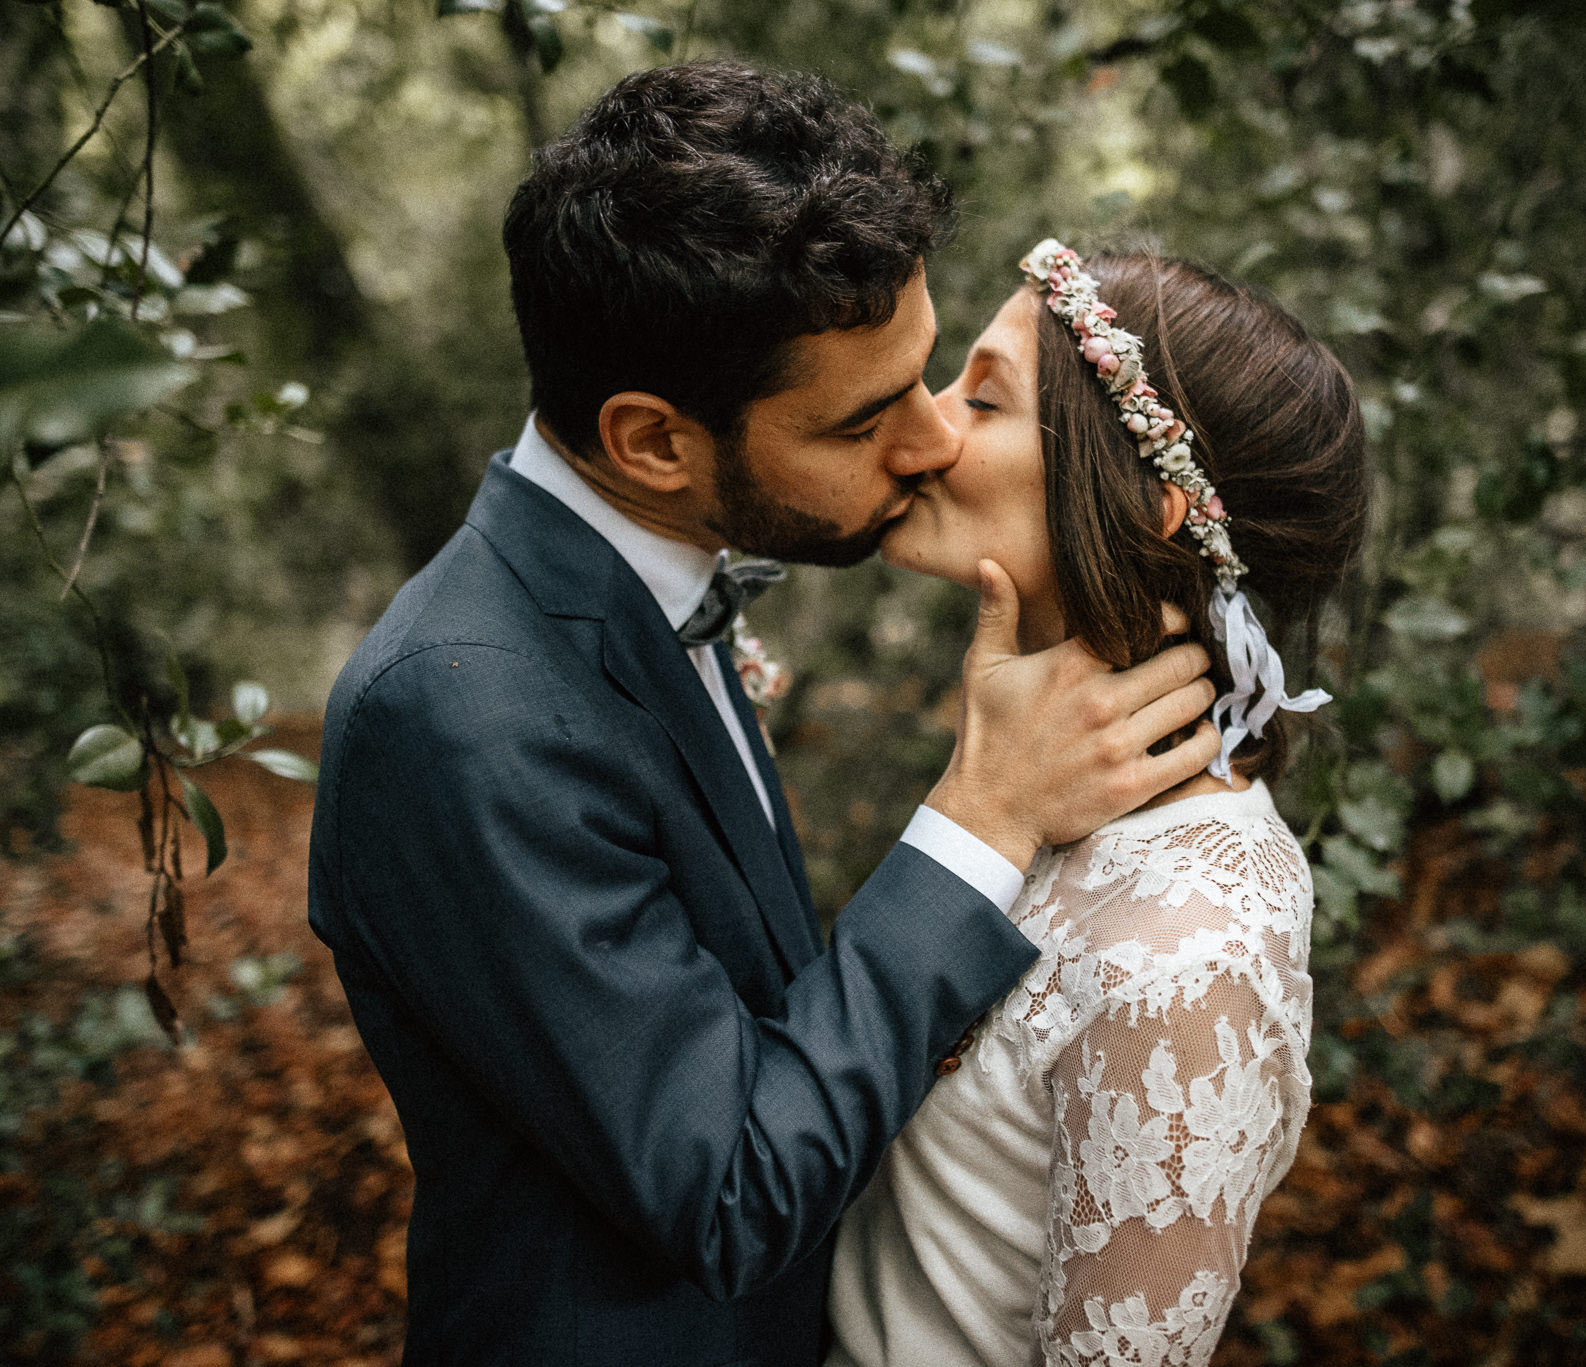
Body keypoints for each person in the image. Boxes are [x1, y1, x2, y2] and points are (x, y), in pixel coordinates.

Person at [306, 68, 1225, 1367]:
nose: (931, 442)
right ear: (653, 442)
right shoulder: (460, 711)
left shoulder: (649, 581)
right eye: (864, 418)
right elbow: (730, 1187)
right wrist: (983, 815)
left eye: (928, 375)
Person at [826, 242, 1370, 1366]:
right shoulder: (1027, 797)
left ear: (1151, 501)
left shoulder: (1191, 953)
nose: (922, 429)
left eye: (981, 398)